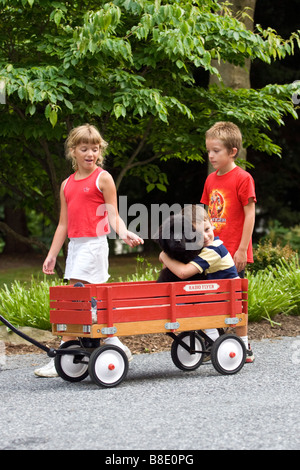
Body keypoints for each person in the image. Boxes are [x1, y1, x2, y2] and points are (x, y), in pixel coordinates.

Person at [34, 124, 144, 377]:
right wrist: (52, 254)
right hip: (75, 246)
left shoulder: (102, 178)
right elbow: (63, 224)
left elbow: (113, 215)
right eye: (84, 149)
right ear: (73, 151)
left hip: (94, 245)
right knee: (90, 302)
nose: (90, 154)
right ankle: (115, 344)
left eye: (95, 149)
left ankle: (63, 354)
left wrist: (124, 232)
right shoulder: (66, 185)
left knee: (75, 299)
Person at [159, 206, 252, 361]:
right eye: (197, 234)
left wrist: (164, 256)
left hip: (227, 297)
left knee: (200, 309)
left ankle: (224, 345)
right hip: (218, 295)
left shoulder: (214, 250)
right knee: (200, 307)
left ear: (212, 224)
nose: (205, 236)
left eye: (207, 229)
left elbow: (183, 273)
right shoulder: (204, 249)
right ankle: (216, 343)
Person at [200, 121, 256, 362]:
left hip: (233, 252)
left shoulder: (243, 178)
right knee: (205, 296)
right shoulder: (210, 180)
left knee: (236, 301)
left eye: (216, 151)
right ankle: (213, 342)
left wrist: (242, 249)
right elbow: (205, 214)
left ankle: (244, 346)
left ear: (232, 151)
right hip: (212, 251)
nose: (211, 155)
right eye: (209, 151)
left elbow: (250, 213)